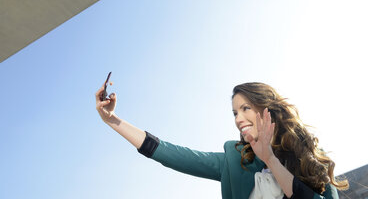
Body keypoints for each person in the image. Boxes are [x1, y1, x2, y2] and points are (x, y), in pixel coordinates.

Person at [95, 82, 349, 198]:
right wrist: (113, 120)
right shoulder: (233, 160)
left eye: (245, 109)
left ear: (267, 109)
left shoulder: (312, 159)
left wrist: (270, 160)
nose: (238, 119)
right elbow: (171, 154)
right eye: (234, 113)